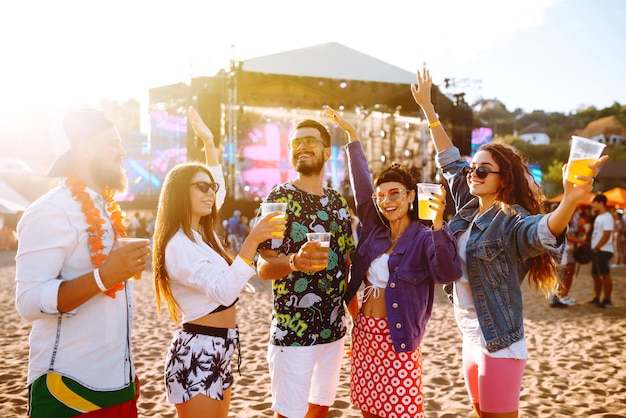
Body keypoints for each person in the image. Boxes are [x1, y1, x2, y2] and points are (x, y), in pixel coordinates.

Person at [411, 68, 607, 418]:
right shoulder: (469, 204)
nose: (473, 174)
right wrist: (428, 109)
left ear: (502, 181)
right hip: (469, 332)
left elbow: (542, 230)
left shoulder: (510, 220)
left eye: (483, 171)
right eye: (474, 169)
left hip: (498, 338)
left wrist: (571, 200)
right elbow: (450, 161)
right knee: (478, 411)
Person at [325, 106, 462, 417]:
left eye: (395, 193)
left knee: (399, 410)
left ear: (411, 195)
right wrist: (353, 136)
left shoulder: (425, 236)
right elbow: (361, 184)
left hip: (398, 337)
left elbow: (447, 272)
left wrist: (439, 222)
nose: (387, 201)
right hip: (365, 334)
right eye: (382, 195)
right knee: (370, 410)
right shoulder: (374, 230)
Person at [15, 109, 151, 417]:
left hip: (120, 383)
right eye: (113, 143)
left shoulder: (105, 207)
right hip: (70, 389)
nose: (122, 151)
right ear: (86, 149)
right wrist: (104, 276)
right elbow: (27, 303)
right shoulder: (50, 211)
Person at [152, 107, 284, 418]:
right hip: (197, 348)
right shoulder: (177, 245)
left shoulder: (199, 232)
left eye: (211, 187)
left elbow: (219, 188)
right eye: (202, 187)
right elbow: (224, 293)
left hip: (220, 346)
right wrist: (252, 241)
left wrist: (209, 143)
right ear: (179, 193)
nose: (211, 192)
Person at [256, 118, 356, 418]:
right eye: (296, 143)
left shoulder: (338, 202)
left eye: (310, 141)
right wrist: (294, 262)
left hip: (334, 331)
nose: (301, 147)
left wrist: (356, 321)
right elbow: (263, 265)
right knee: (290, 413)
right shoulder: (278, 198)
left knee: (320, 409)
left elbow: (347, 264)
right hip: (293, 331)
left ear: (327, 152)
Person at [589, 193, 614, 308]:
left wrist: (598, 247)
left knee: (605, 275)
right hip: (597, 250)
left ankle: (607, 300)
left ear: (600, 203)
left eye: (594, 203)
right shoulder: (599, 216)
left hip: (603, 250)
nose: (592, 206)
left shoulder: (607, 217)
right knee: (595, 275)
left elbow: (607, 234)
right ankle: (596, 298)